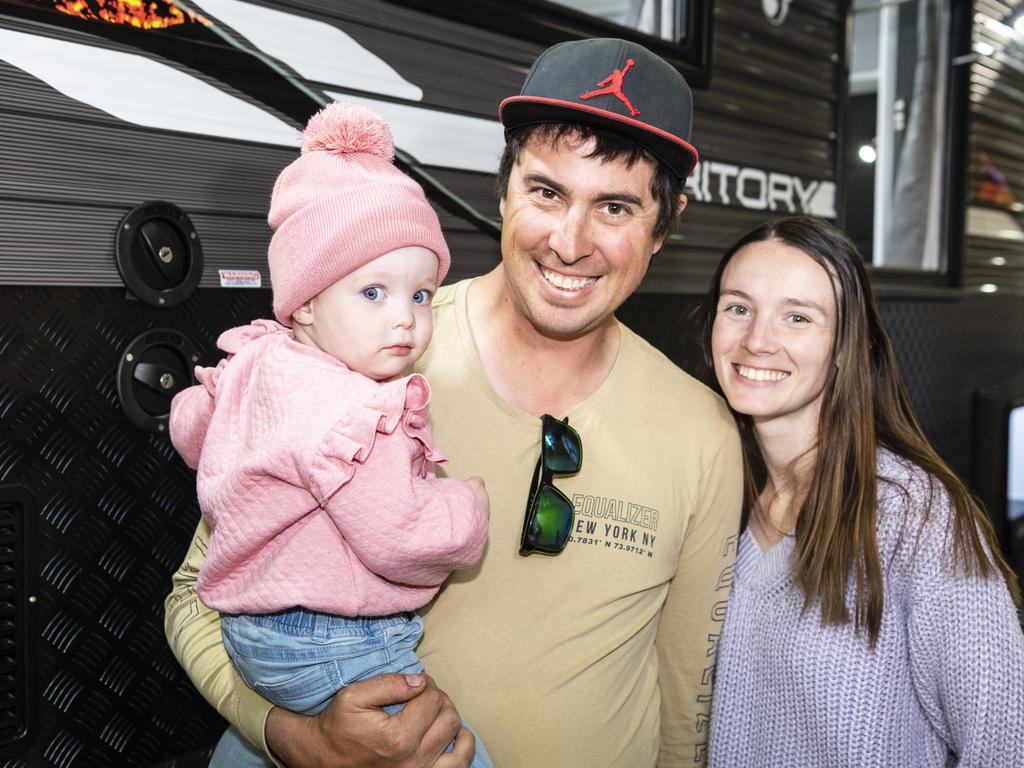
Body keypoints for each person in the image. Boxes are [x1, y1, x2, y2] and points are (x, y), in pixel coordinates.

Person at [165, 37, 743, 768]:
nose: (570, 242)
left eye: (616, 207)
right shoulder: (362, 348)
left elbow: (687, 695)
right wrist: (295, 737)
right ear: (502, 191)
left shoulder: (702, 430)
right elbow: (196, 594)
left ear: (665, 226)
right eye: (546, 191)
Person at [168, 102, 491, 767]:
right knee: (453, 753)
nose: (405, 320)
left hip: (250, 635)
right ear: (306, 300)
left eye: (422, 294)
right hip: (333, 644)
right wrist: (468, 507)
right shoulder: (349, 411)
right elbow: (400, 536)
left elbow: (192, 428)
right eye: (373, 293)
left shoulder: (260, 362)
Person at [703, 215, 1024, 767]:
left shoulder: (917, 516)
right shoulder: (719, 487)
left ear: (848, 346)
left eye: (797, 318)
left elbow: (1004, 743)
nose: (756, 340)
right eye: (738, 308)